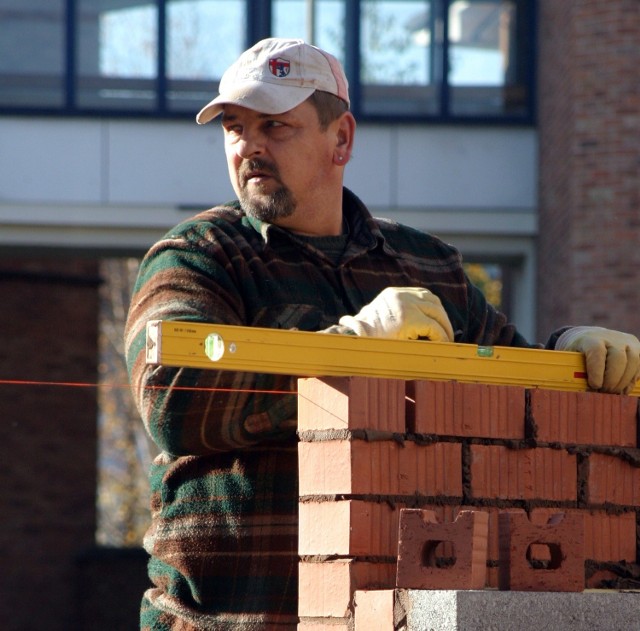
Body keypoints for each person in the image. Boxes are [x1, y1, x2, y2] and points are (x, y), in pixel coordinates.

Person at [124, 37, 640, 629]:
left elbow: (509, 389)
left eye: (274, 126)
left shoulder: (427, 266)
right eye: (234, 127)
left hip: (378, 614)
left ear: (340, 138)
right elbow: (175, 398)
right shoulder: (199, 257)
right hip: (224, 619)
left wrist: (571, 358)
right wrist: (352, 348)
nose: (249, 147)